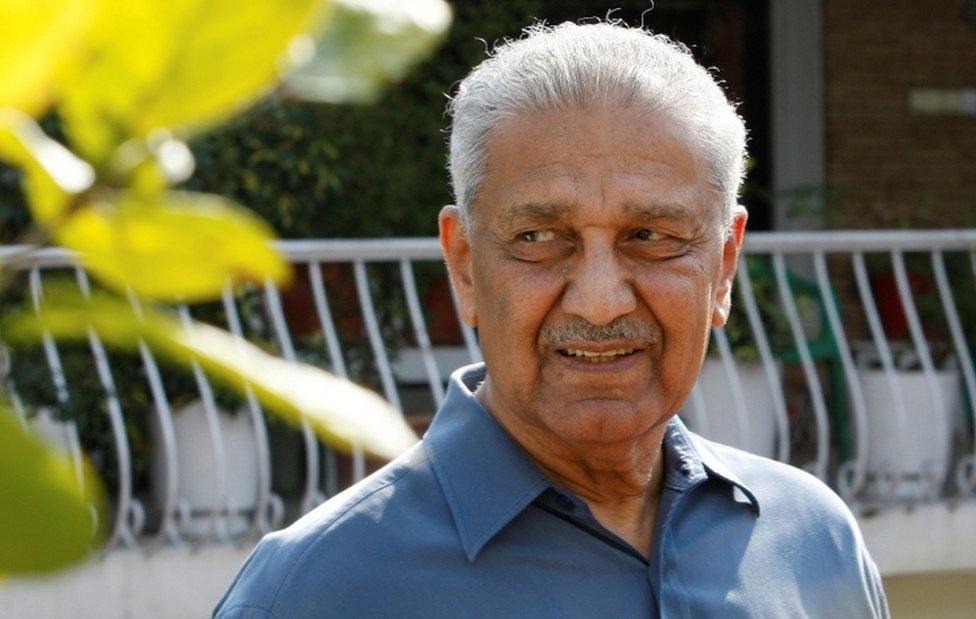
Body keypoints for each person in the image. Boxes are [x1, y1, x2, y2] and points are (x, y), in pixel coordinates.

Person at [214, 21, 889, 618]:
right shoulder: (315, 591)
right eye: (540, 238)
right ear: (465, 264)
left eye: (651, 235)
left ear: (725, 265)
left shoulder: (813, 541)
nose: (600, 301)